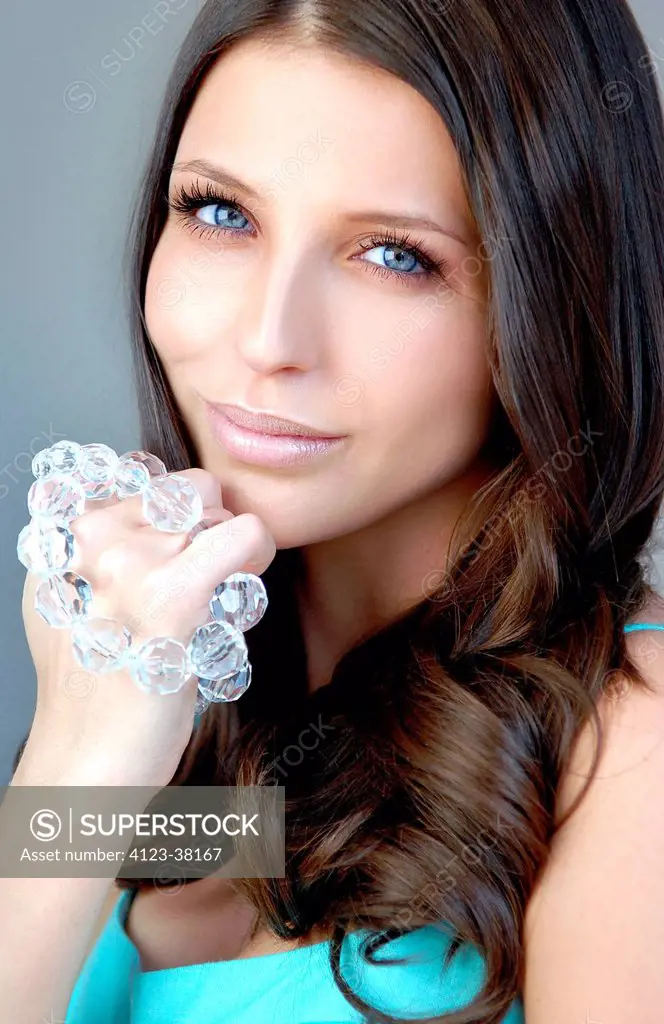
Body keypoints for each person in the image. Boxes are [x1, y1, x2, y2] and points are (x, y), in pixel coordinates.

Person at [3, 0, 664, 1020]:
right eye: (222, 213)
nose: (269, 340)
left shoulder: (628, 748)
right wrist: (82, 751)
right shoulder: (197, 724)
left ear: (547, 301)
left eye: (396, 254)